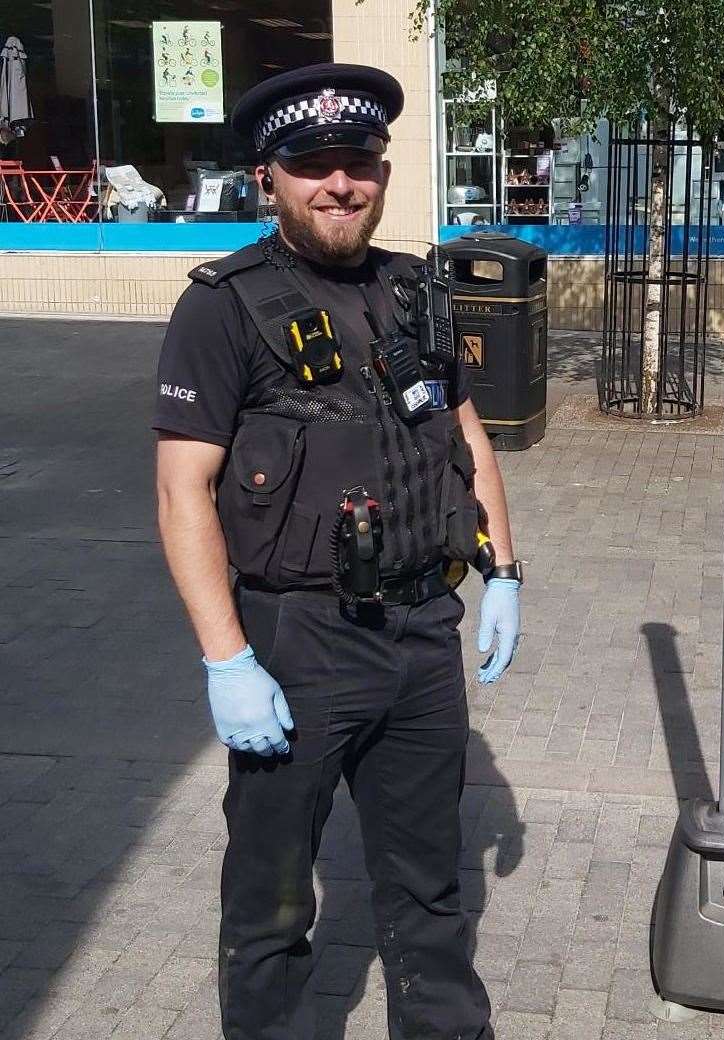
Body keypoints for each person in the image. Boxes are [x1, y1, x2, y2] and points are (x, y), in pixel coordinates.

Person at [153, 62, 522, 1040]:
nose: (338, 181)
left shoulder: (415, 291)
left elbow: (466, 433)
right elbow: (181, 487)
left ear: (381, 170)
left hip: (419, 635)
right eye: (311, 163)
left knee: (429, 894)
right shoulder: (221, 306)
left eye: (355, 160)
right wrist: (226, 657)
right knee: (272, 906)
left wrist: (504, 572)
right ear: (268, 176)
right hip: (295, 639)